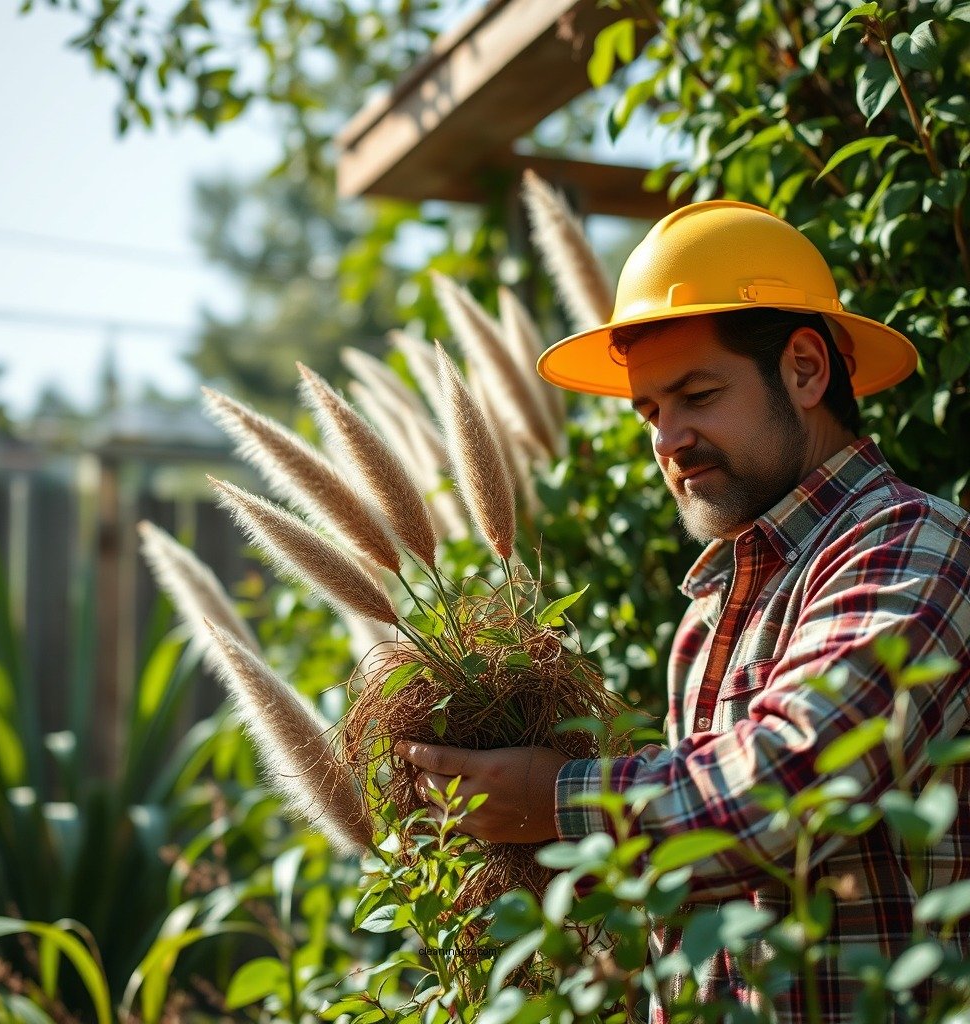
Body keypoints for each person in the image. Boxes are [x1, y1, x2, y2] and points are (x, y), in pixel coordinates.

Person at [395, 201, 970, 1022]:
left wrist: (554, 801)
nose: (667, 439)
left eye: (698, 394)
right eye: (650, 413)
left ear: (806, 370)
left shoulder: (916, 544)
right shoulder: (712, 606)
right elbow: (695, 894)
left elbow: (791, 781)